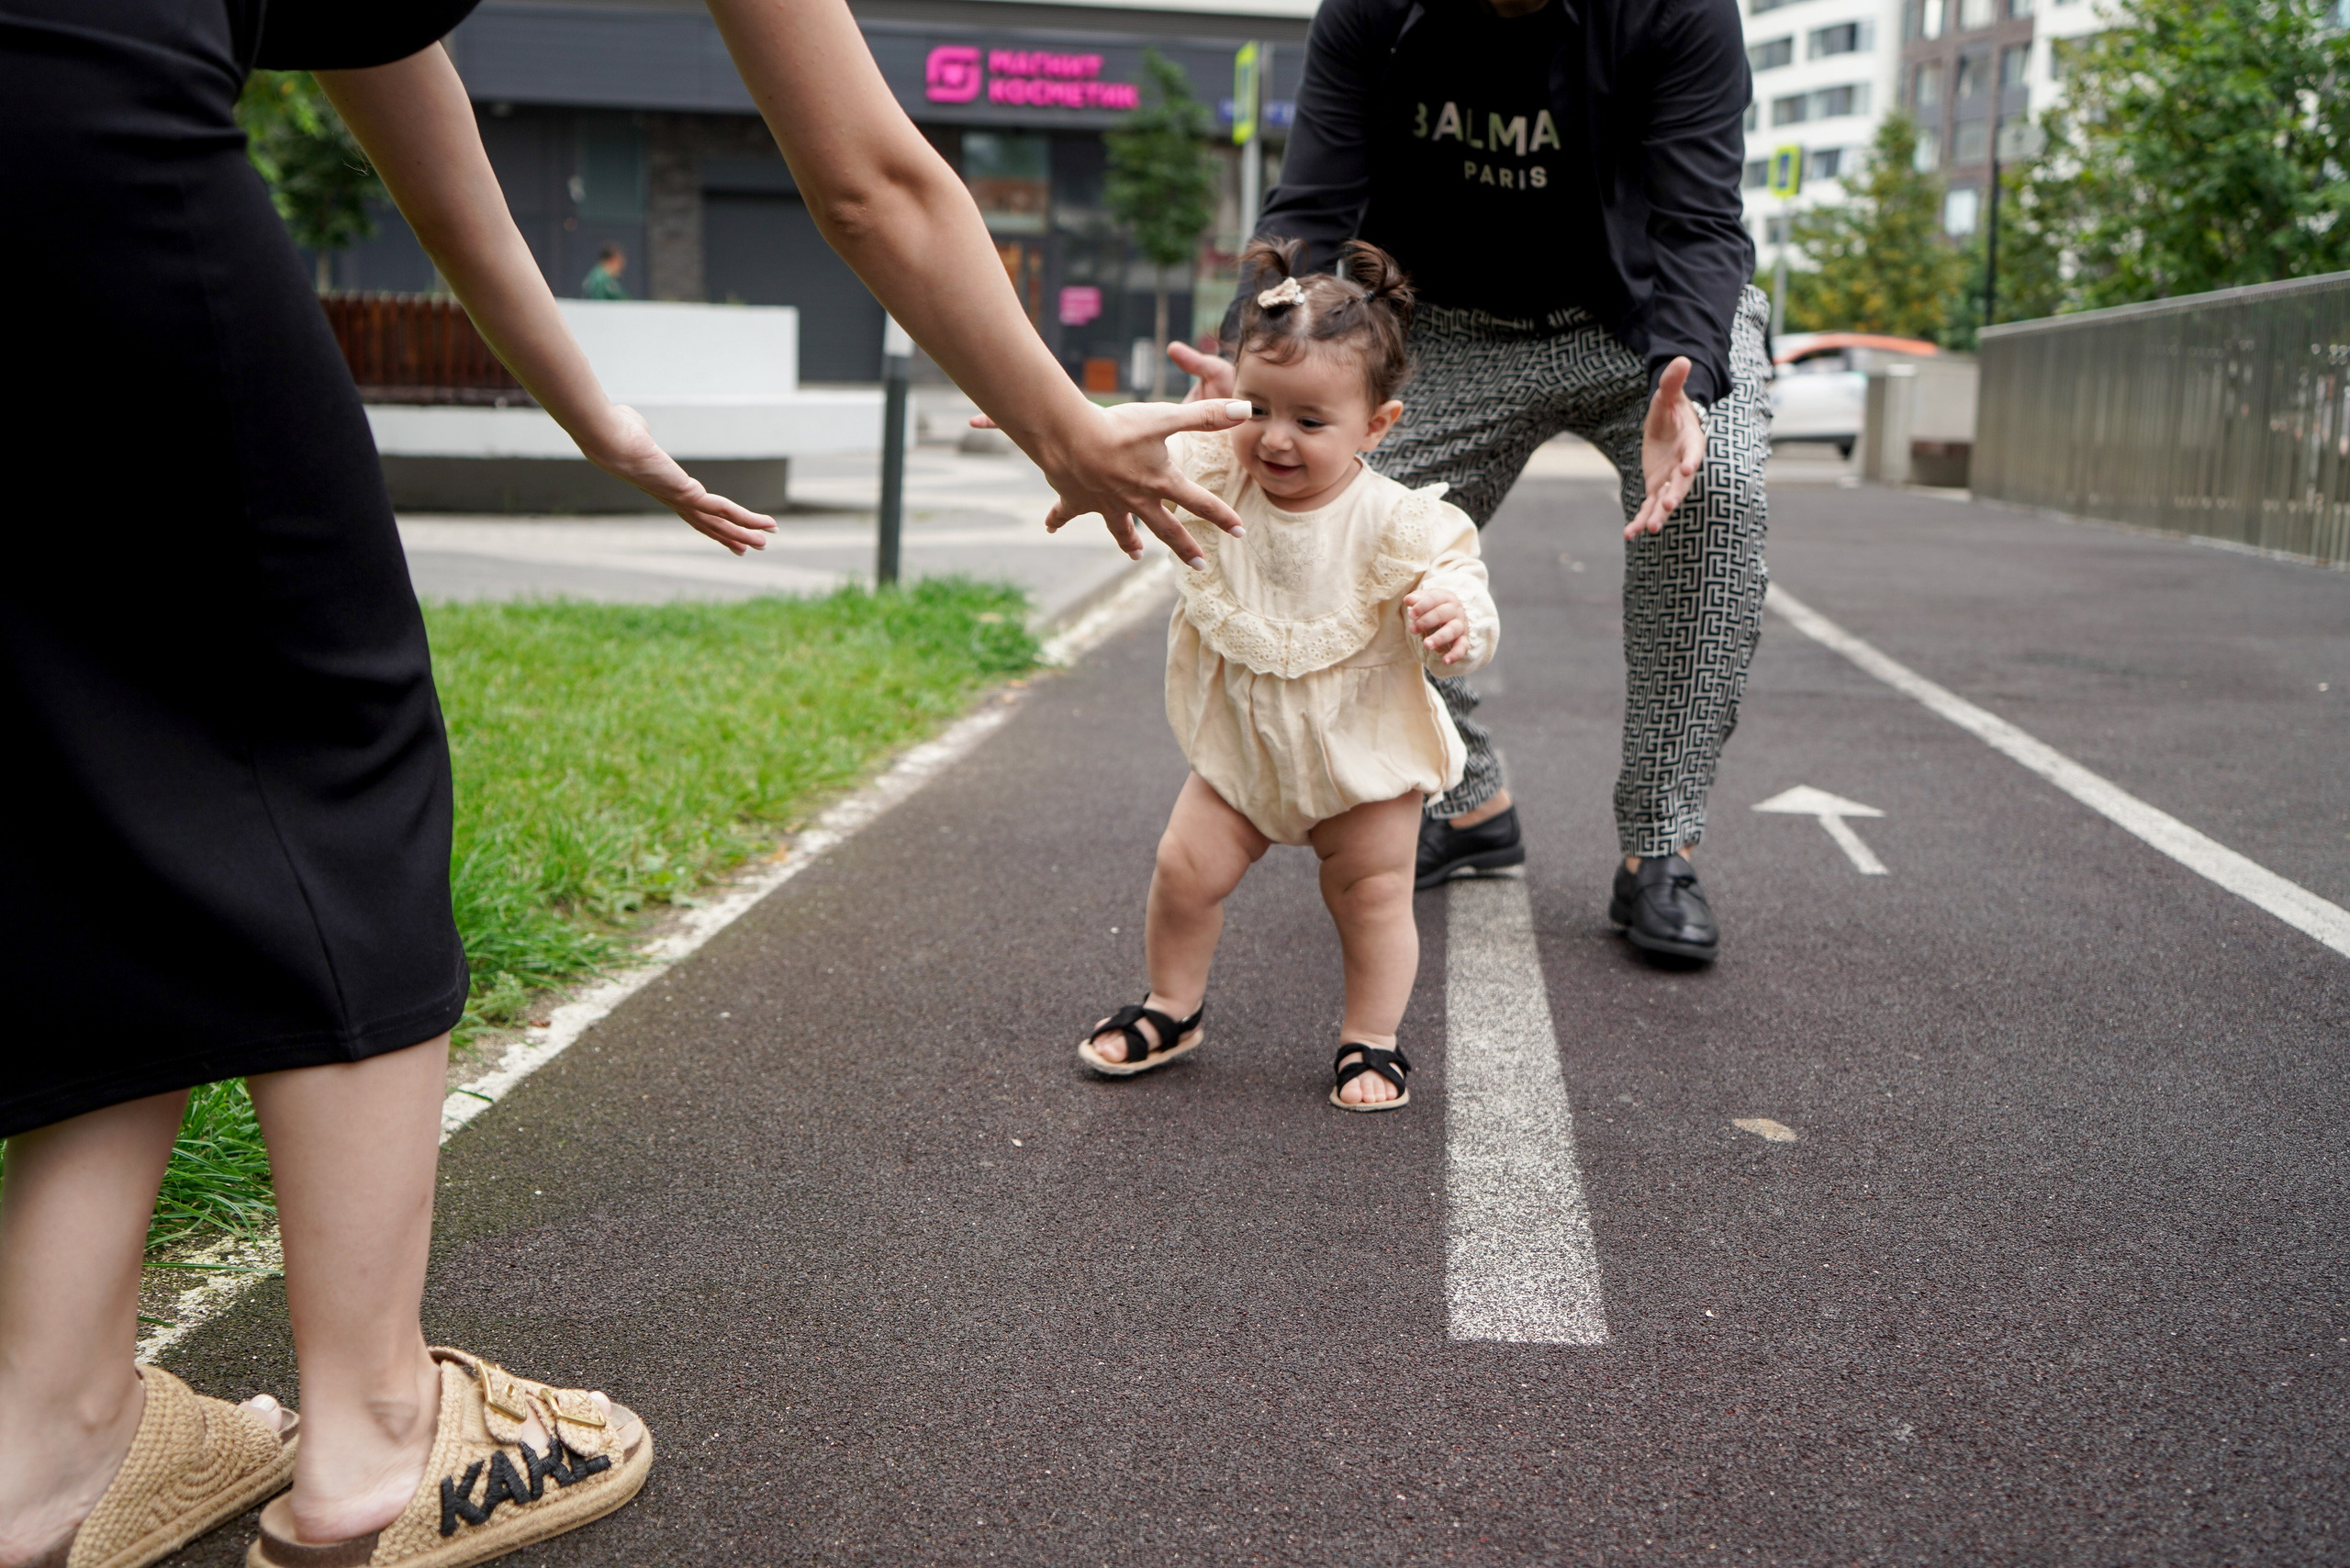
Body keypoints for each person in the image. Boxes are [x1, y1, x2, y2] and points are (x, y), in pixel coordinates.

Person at [0, 2, 1254, 1564]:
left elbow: (387, 65)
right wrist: (1067, 428)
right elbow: (871, 176)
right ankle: (377, 1438)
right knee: (331, 746)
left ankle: (48, 1439)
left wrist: (588, 404)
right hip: (90, 124)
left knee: (105, 762)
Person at [1171, 0, 1765, 962]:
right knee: (1312, 515)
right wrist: (1248, 350)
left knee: (1716, 494)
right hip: (1444, 326)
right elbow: (1312, 204)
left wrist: (1687, 385)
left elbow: (1701, 223)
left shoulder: (1675, 11)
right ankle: (1469, 799)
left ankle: (1661, 845)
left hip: (1644, 324)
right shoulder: (1372, 10)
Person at [1075, 241, 1497, 1112]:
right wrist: (1054, 430)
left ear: (1376, 425)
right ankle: (1173, 1005)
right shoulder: (1213, 476)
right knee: (1184, 870)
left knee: (1371, 896)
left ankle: (1370, 1039)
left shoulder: (1400, 522)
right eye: (1257, 406)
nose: (1273, 437)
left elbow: (1462, 581)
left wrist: (1454, 615)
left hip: (1363, 757)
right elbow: (1122, 445)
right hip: (1242, 748)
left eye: (1310, 421)